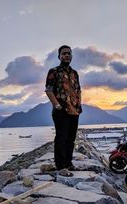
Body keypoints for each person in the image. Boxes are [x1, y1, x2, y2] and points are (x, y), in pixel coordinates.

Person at [45, 45, 82, 177]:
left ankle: (69, 163)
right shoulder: (54, 71)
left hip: (74, 111)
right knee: (61, 138)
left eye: (69, 53)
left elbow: (78, 90)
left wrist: (79, 105)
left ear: (71, 56)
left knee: (71, 139)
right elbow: (48, 90)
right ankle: (60, 166)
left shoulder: (74, 73)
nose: (67, 55)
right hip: (61, 110)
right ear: (59, 56)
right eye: (64, 53)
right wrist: (57, 105)